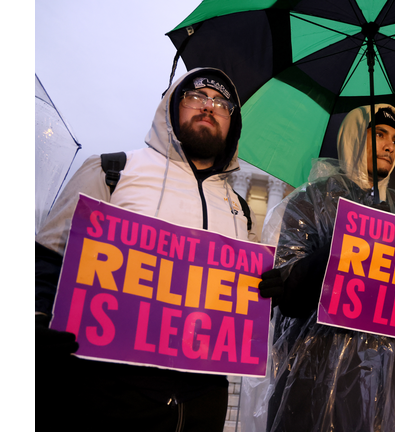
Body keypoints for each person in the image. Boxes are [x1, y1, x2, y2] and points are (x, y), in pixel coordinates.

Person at [35, 67, 256, 432]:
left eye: (221, 103)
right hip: (112, 393)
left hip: (204, 400)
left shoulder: (238, 208)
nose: (208, 107)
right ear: (171, 107)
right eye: (196, 97)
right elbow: (48, 257)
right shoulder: (113, 171)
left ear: (232, 122)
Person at [256, 104, 395, 432]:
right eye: (378, 134)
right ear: (352, 138)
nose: (389, 145)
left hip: (388, 377)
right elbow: (288, 293)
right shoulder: (310, 201)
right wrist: (349, 243)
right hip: (318, 372)